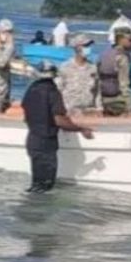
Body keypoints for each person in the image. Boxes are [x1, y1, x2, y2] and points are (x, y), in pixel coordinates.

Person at [21, 60, 94, 193]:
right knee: (46, 186)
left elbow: (27, 115)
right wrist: (81, 128)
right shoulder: (52, 93)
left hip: (32, 139)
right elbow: (59, 121)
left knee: (36, 184)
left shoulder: (30, 91)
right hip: (46, 142)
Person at [56, 34, 98, 113]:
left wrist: (99, 108)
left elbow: (97, 91)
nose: (88, 48)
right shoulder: (65, 67)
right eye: (86, 45)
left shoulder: (93, 68)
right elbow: (58, 89)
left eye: (89, 45)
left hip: (88, 111)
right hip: (69, 110)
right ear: (78, 48)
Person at [99, 28, 131, 117]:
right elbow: (124, 85)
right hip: (115, 100)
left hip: (102, 99)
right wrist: (130, 108)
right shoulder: (122, 57)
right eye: (130, 40)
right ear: (121, 40)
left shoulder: (105, 53)